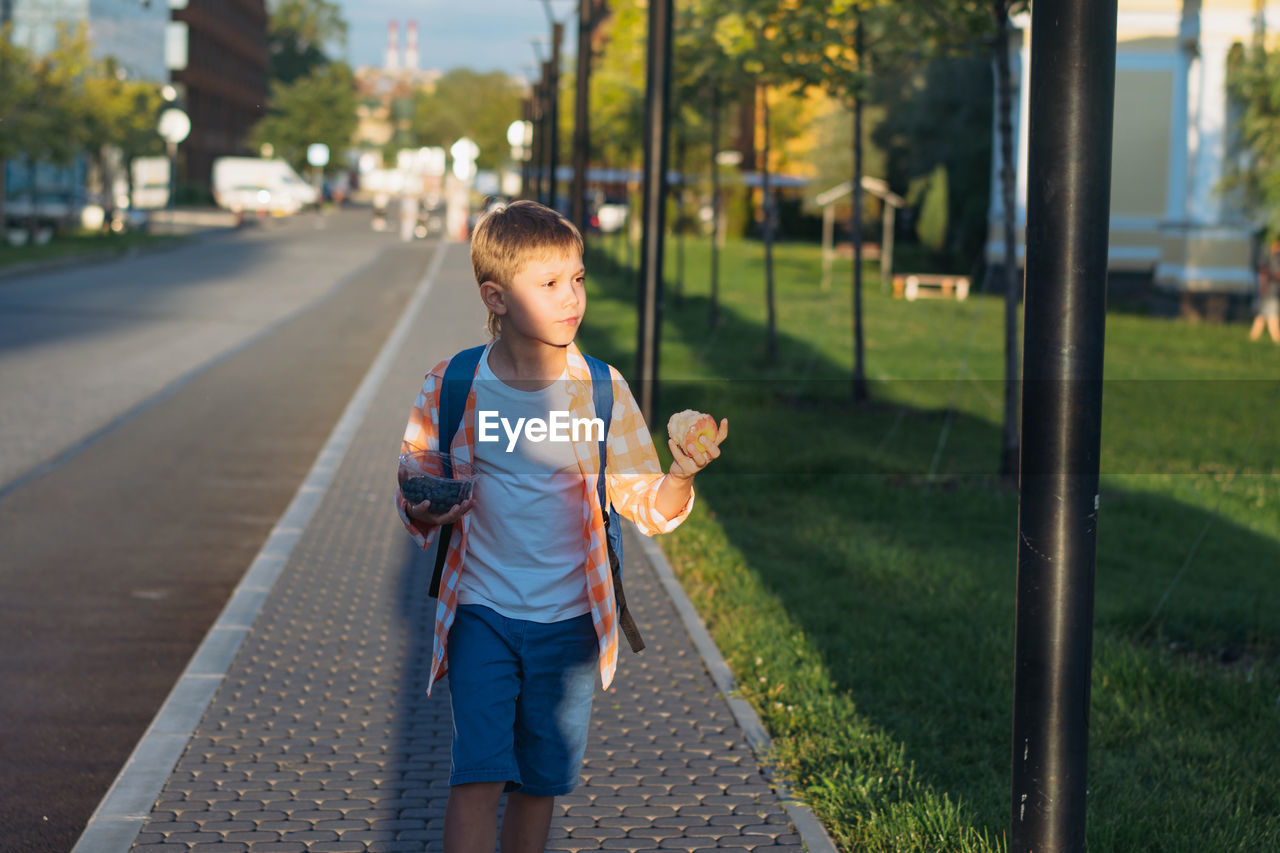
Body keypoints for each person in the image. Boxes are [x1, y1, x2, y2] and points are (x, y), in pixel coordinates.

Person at [395, 200, 728, 853]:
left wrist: (682, 473)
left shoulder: (602, 390)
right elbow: (415, 477)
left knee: (540, 782)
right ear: (496, 295)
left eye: (577, 278)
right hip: (481, 615)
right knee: (478, 773)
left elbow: (645, 501)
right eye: (549, 284)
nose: (571, 297)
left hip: (572, 624)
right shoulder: (454, 383)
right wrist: (426, 505)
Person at [1250, 238, 1280, 344]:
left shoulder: (1273, 257)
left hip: (1270, 291)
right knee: (1272, 315)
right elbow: (1270, 274)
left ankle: (1253, 338)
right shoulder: (1270, 257)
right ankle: (1276, 339)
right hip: (1268, 292)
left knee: (1262, 316)